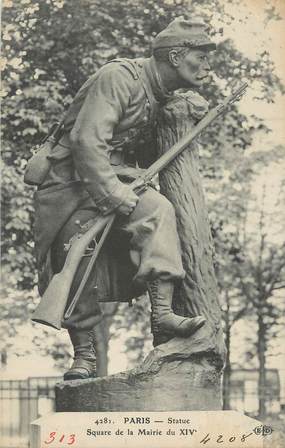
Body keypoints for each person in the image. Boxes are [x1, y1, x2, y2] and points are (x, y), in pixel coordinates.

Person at [33, 17, 216, 380]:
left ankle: (162, 313)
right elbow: (87, 140)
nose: (207, 66)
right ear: (177, 57)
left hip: (115, 176)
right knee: (74, 249)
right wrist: (114, 193)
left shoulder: (160, 93)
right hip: (69, 183)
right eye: (201, 57)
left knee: (159, 210)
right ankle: (82, 354)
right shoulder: (119, 78)